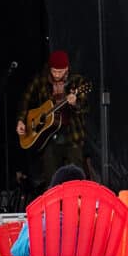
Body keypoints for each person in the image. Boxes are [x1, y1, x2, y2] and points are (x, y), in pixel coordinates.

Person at [16, 48, 92, 185]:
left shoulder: (77, 82)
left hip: (72, 137)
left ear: (67, 69)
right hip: (48, 139)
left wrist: (75, 103)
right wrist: (21, 120)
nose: (57, 74)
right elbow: (25, 99)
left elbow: (85, 107)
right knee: (51, 181)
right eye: (54, 71)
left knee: (75, 179)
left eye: (61, 71)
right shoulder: (41, 81)